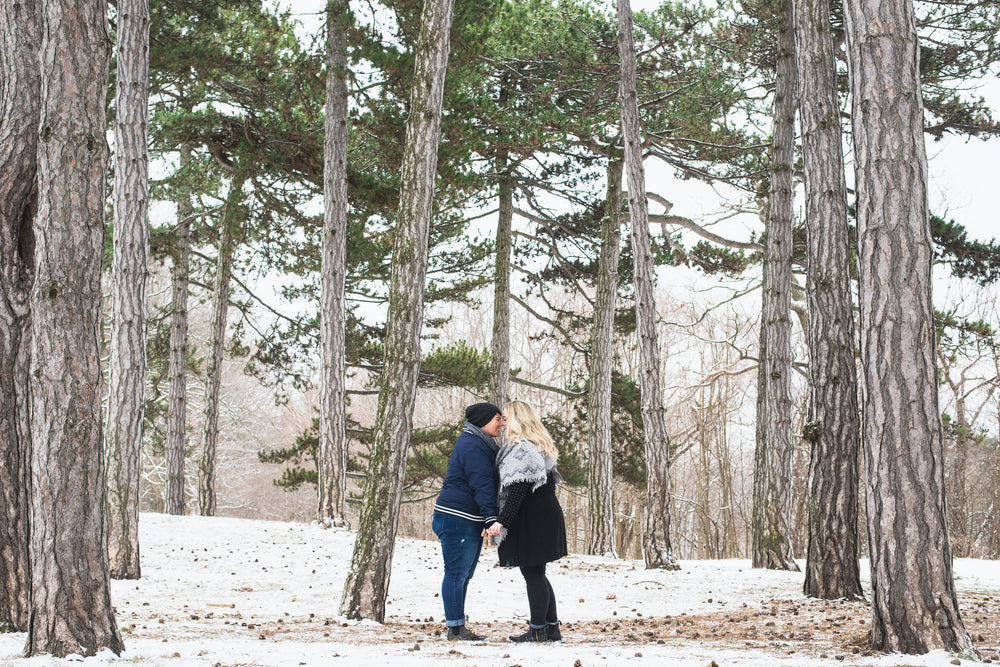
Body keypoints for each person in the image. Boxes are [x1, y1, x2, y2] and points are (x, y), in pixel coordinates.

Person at [487, 400, 568, 643]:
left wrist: (501, 522)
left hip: (535, 519)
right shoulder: (535, 445)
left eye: (507, 417)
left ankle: (537, 630)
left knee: (532, 573)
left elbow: (518, 491)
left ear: (518, 419)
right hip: (542, 516)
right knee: (537, 573)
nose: (504, 422)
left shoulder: (522, 448)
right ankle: (551, 628)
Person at [432, 402, 503, 641]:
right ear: (484, 420)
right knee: (456, 573)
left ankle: (458, 626)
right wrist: (491, 517)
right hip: (456, 517)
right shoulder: (472, 444)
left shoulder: (479, 442)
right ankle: (455, 628)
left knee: (463, 574)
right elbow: (481, 483)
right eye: (497, 419)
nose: (501, 424)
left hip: (466, 518)